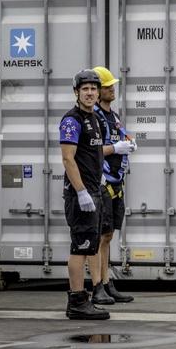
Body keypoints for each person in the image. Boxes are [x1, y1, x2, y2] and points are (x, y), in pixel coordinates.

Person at [60, 69, 110, 320]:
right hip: (81, 194)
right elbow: (68, 159)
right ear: (76, 93)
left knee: (90, 245)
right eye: (85, 89)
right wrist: (80, 191)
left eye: (93, 88)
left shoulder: (96, 119)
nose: (90, 93)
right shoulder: (72, 120)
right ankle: (77, 301)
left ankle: (83, 299)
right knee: (79, 247)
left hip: (94, 191)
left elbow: (94, 153)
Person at [88, 66, 136, 304]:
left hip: (116, 182)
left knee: (108, 236)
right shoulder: (94, 117)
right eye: (107, 86)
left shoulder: (113, 116)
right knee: (99, 237)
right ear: (98, 91)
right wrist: (115, 149)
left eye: (111, 85)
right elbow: (91, 150)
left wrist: (128, 143)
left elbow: (121, 136)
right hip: (102, 182)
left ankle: (106, 283)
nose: (112, 89)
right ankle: (97, 286)